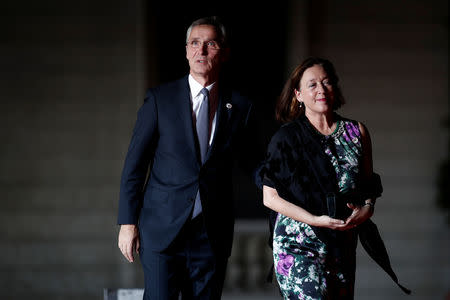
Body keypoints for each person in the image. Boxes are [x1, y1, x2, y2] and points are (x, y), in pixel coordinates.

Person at [117, 16, 256, 299]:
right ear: (185, 51)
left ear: (224, 52)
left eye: (210, 43)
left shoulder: (240, 105)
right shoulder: (160, 99)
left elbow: (254, 163)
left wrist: (288, 194)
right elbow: (135, 165)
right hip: (162, 231)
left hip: (211, 233)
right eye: (194, 43)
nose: (201, 51)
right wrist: (127, 223)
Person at [257, 57, 410, 299]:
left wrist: (367, 209)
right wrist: (315, 219)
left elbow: (368, 186)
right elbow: (270, 197)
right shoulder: (286, 138)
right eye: (312, 84)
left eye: (326, 82)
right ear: (298, 94)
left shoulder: (357, 132)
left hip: (342, 242)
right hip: (299, 243)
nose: (321, 89)